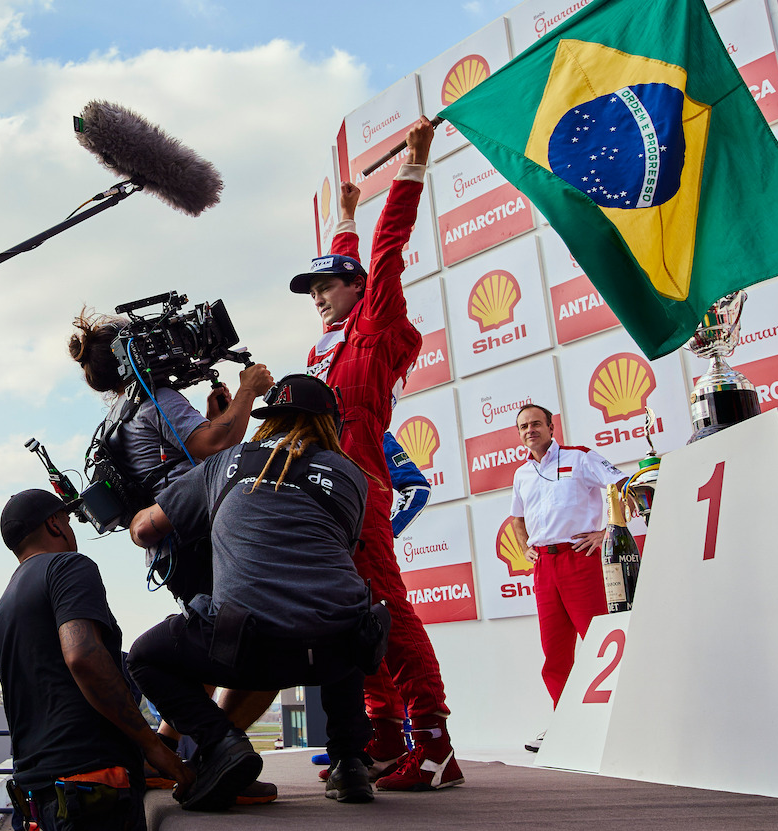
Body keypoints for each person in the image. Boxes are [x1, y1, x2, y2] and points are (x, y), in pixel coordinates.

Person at [289, 116, 461, 790]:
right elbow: (350, 254)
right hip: (323, 495)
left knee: (386, 606)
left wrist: (413, 165)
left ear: (358, 289)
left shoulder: (377, 320)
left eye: (327, 286)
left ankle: (437, 741)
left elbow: (382, 252)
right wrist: (344, 211)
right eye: (310, 290)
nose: (317, 297)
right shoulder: (326, 342)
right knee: (345, 611)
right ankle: (384, 731)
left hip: (360, 487)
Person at [126, 375, 391, 810]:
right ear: (331, 425)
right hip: (329, 652)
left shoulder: (226, 462)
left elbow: (145, 529)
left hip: (246, 650)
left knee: (144, 655)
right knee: (345, 608)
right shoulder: (352, 476)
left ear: (269, 421)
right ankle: (350, 764)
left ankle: (221, 742)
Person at [68, 310, 278, 800]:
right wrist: (248, 390)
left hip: (174, 549)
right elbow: (214, 446)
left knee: (201, 657)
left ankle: (166, 755)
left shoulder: (120, 414)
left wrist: (220, 414)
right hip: (202, 540)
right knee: (257, 651)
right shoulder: (158, 399)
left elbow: (197, 449)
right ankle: (220, 757)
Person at [0, 489, 192, 831]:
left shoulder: (3, 607)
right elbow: (83, 656)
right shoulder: (67, 566)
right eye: (68, 520)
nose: (71, 529)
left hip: (35, 796)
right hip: (91, 790)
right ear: (54, 524)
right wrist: (152, 747)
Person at [508, 404, 628, 750]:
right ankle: (565, 721)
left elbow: (621, 485)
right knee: (555, 652)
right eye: (523, 427)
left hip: (581, 559)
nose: (530, 430)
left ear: (551, 426)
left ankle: (613, 720)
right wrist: (525, 548)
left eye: (535, 424)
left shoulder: (580, 457)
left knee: (599, 644)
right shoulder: (521, 474)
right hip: (545, 566)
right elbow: (517, 519)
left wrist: (608, 531)